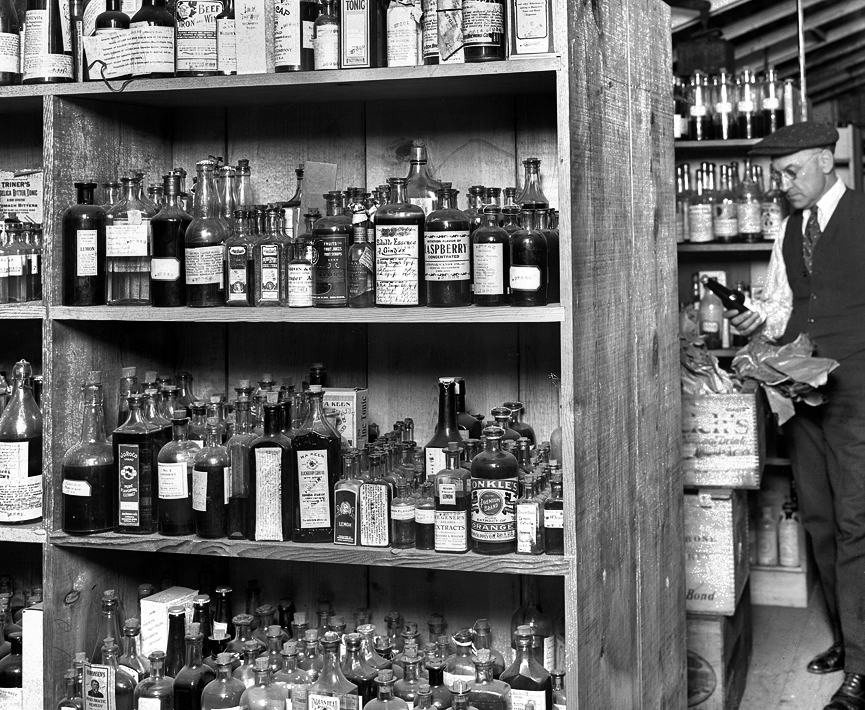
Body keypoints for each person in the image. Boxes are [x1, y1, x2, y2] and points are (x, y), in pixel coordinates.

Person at [729, 121, 865, 710]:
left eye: (791, 172)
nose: (782, 185)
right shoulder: (788, 230)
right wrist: (755, 322)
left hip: (858, 396)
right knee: (820, 523)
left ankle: (862, 665)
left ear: (824, 163)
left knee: (859, 525)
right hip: (803, 398)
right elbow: (781, 308)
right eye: (776, 175)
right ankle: (849, 637)